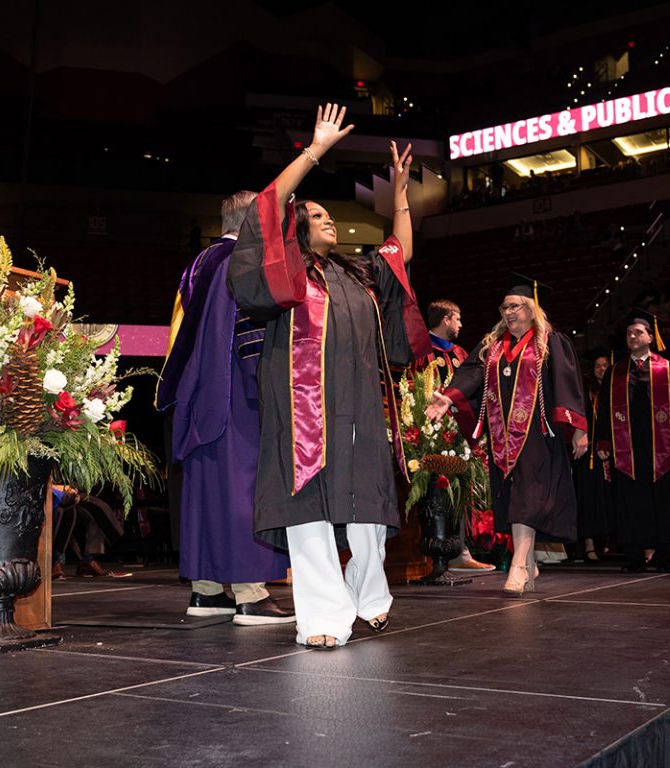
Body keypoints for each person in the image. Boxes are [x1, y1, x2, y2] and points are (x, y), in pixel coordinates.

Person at [228, 103, 430, 649]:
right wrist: (315, 150)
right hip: (302, 415)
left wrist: (401, 196)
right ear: (297, 230)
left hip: (359, 411)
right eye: (317, 216)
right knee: (307, 513)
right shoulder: (287, 277)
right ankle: (320, 617)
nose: (330, 221)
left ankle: (370, 596)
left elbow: (399, 252)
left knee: (366, 510)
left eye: (329, 216)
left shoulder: (357, 274)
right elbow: (265, 211)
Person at [156, 191, 294, 627]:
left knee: (205, 489)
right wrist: (269, 386)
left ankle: (208, 591)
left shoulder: (199, 263)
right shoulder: (241, 260)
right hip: (234, 388)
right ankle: (251, 594)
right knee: (242, 487)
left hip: (197, 393)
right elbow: (250, 332)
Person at [426, 274, 588, 596]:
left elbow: (569, 385)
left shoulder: (549, 342)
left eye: (515, 306)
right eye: (504, 307)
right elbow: (471, 373)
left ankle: (517, 566)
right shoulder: (494, 346)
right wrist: (449, 396)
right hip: (502, 439)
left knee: (528, 496)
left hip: (539, 436)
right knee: (515, 499)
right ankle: (527, 564)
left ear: (531, 308)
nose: (508, 312)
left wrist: (579, 429)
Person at [595, 309, 670, 572]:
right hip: (628, 451)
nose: (633, 336)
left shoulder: (669, 369)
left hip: (664, 449)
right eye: (629, 333)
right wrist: (604, 443)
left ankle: (664, 554)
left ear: (650, 337)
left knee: (664, 501)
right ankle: (635, 555)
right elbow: (604, 412)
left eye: (638, 332)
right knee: (631, 502)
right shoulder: (615, 373)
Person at [412, 299, 495, 573]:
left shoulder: (461, 352)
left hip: (461, 429)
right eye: (457, 319)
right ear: (446, 318)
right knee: (439, 488)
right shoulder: (421, 349)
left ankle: (461, 551)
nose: (461, 325)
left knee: (463, 487)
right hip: (433, 429)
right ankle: (440, 552)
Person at [573, 349, 613, 563]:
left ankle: (610, 542)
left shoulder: (618, 389)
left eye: (605, 365)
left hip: (616, 456)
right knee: (589, 500)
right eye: (597, 366)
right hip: (591, 457)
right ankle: (589, 544)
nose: (601, 369)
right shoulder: (587, 392)